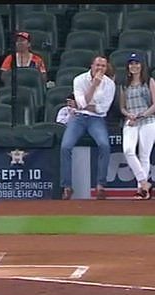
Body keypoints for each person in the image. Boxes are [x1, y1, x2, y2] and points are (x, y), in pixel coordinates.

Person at [60, 55, 115, 200]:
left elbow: (104, 109)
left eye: (103, 66)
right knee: (65, 146)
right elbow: (82, 104)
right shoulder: (79, 79)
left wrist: (85, 105)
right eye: (97, 65)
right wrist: (93, 86)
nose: (100, 69)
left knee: (104, 145)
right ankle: (67, 186)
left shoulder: (110, 84)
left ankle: (100, 186)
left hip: (97, 119)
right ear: (92, 66)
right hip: (78, 117)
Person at [119, 52, 155, 200]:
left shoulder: (149, 81)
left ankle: (141, 190)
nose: (134, 66)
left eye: (137, 63)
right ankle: (144, 183)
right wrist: (129, 115)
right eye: (131, 63)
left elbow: (154, 105)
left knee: (144, 155)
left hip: (148, 120)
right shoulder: (124, 84)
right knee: (128, 150)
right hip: (131, 121)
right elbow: (122, 107)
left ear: (142, 65)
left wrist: (140, 116)